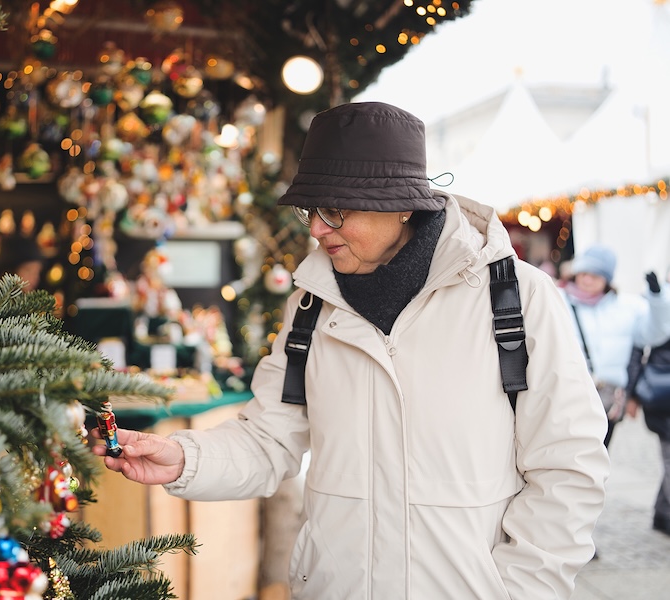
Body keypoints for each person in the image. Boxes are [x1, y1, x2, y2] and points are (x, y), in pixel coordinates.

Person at [92, 102, 610, 599]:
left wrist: (519, 592)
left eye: (335, 211)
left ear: (403, 205)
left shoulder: (517, 299)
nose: (317, 228)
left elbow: (568, 467)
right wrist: (183, 458)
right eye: (311, 211)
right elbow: (268, 439)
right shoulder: (310, 306)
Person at [559, 246, 670, 447]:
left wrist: (657, 299)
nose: (587, 280)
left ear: (607, 278)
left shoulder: (627, 307)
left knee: (599, 455)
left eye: (595, 275)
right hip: (567, 394)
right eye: (583, 273)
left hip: (607, 399)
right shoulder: (558, 300)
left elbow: (654, 334)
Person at [626, 267, 670, 537]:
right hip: (663, 397)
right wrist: (631, 395)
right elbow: (642, 341)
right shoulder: (658, 302)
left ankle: (663, 513)